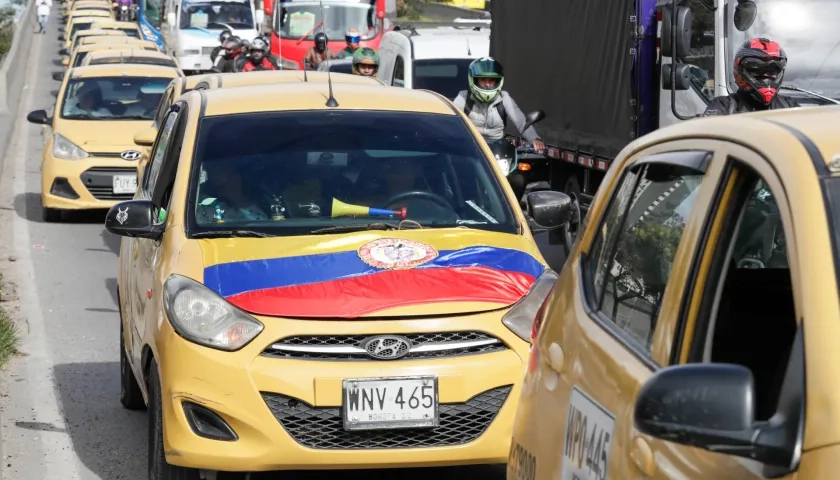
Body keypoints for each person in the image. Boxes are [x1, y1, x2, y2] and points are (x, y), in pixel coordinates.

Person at [453, 57, 546, 153]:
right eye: (483, 79)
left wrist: (535, 138)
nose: (487, 84)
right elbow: (451, 121)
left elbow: (520, 120)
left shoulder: (504, 97)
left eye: (491, 80)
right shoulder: (464, 97)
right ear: (473, 80)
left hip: (497, 150)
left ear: (498, 81)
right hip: (470, 149)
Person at [702, 37, 800, 116]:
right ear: (740, 71)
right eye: (757, 70)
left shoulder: (790, 106)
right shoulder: (724, 105)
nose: (765, 76)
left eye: (771, 71)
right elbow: (706, 134)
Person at [197, 160, 269, 223]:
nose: (229, 176)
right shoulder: (201, 204)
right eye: (218, 168)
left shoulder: (263, 200)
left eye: (231, 172)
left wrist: (237, 198)